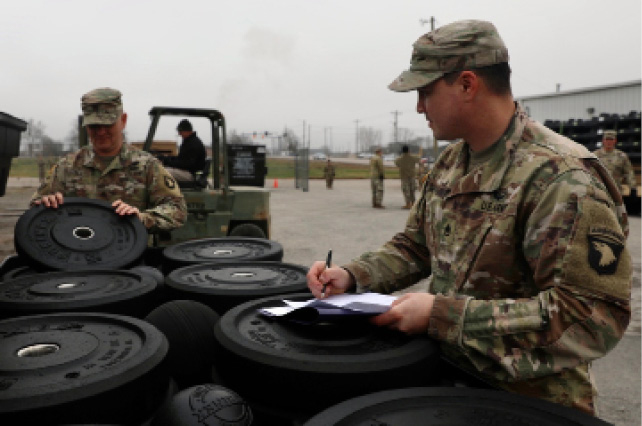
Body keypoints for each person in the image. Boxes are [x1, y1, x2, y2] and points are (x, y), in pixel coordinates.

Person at [307, 20, 631, 416]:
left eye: (426, 92)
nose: (419, 107)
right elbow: (415, 246)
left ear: (466, 84)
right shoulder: (451, 162)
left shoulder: (560, 177)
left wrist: (439, 315)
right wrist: (353, 276)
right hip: (451, 382)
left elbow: (592, 317)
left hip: (529, 403)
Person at [31, 87, 187, 231]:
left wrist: (142, 218)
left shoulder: (146, 166)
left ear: (123, 120)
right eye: (94, 126)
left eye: (108, 124)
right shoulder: (66, 167)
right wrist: (46, 205)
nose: (101, 132)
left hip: (130, 256)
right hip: (77, 254)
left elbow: (177, 209)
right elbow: (35, 208)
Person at [593, 130, 635, 194]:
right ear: (603, 141)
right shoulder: (594, 156)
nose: (609, 142)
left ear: (615, 141)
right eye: (607, 139)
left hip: (616, 192)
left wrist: (633, 188)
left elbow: (629, 173)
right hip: (599, 191)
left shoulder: (621, 156)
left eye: (611, 140)